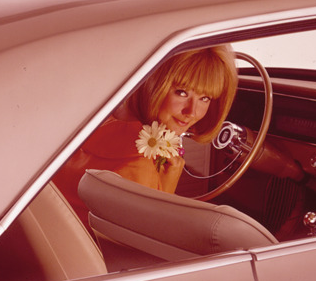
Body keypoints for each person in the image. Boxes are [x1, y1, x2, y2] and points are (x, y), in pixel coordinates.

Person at [52, 45, 238, 229]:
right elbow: (149, 237)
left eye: (205, 98)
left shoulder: (95, 121)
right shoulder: (140, 166)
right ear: (154, 84)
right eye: (182, 93)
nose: (192, 112)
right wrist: (167, 188)